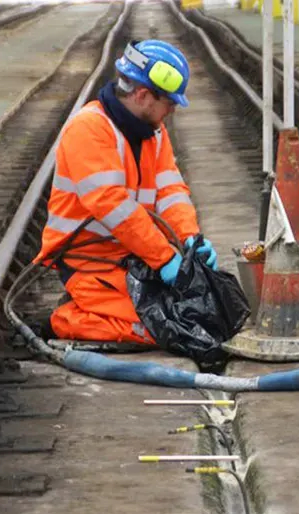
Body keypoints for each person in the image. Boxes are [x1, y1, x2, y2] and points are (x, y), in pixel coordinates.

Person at [35, 38, 218, 346]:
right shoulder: (89, 130)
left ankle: (100, 307)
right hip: (87, 260)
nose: (172, 110)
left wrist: (190, 238)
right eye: (170, 103)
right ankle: (64, 320)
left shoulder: (154, 133)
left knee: (189, 316)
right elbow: (111, 203)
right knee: (157, 329)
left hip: (131, 257)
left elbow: (171, 190)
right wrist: (163, 259)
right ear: (145, 96)